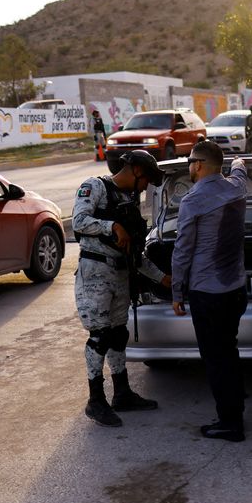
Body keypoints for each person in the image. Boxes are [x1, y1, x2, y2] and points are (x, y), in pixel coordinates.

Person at [73, 149, 171, 427]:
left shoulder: (129, 199)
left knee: (118, 334)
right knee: (99, 336)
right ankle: (95, 400)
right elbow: (78, 221)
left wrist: (161, 277)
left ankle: (122, 393)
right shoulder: (95, 187)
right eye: (147, 180)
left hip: (120, 274)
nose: (147, 187)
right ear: (137, 171)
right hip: (95, 273)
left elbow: (134, 253)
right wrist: (111, 225)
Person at [171, 140, 249, 442]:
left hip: (208, 292)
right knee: (229, 349)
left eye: (190, 161)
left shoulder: (193, 201)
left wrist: (177, 292)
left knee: (216, 359)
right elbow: (241, 171)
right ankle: (236, 405)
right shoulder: (237, 188)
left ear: (199, 164)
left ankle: (230, 423)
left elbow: (182, 251)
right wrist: (239, 162)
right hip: (236, 289)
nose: (189, 167)